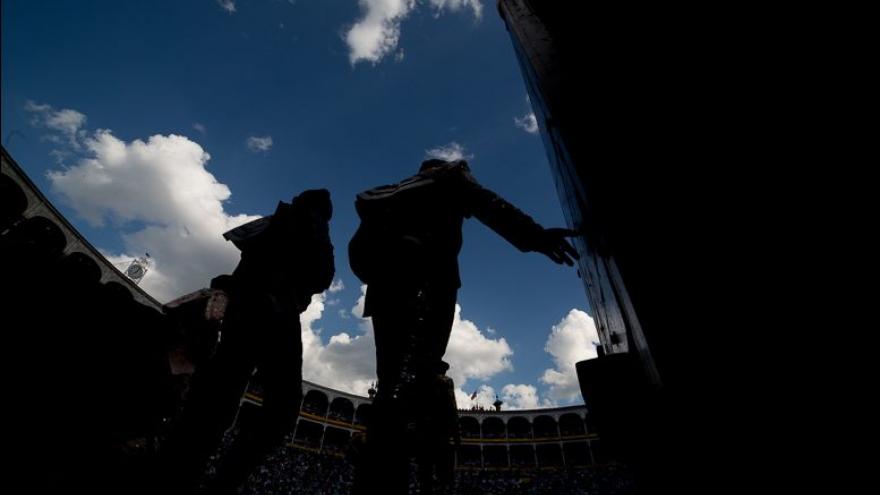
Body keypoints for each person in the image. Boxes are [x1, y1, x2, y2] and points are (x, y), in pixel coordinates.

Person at [349, 159, 578, 494]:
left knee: (391, 388)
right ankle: (430, 480)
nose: (472, 178)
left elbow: (361, 250)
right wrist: (538, 237)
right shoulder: (450, 180)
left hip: (385, 289)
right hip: (424, 281)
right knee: (422, 383)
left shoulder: (396, 194)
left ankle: (376, 482)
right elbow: (492, 206)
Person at [159, 189, 335, 495]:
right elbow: (322, 276)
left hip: (243, 307)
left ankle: (174, 472)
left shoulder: (271, 222)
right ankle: (217, 483)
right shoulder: (311, 225)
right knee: (280, 409)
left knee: (216, 396)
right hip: (274, 312)